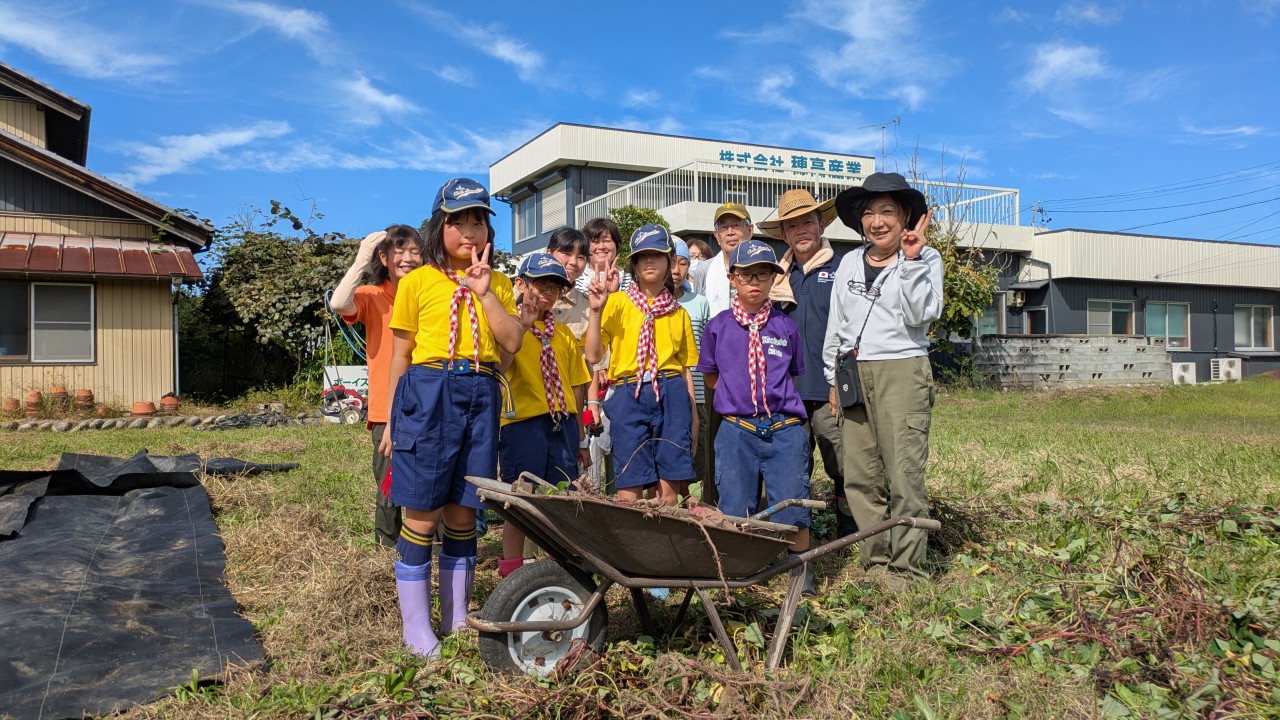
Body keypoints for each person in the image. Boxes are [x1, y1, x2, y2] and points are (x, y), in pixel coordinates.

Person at [381, 177, 526, 657]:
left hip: (481, 391)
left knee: (466, 508)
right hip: (429, 390)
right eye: (457, 220)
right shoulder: (417, 281)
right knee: (423, 509)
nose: (469, 231)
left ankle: (457, 616)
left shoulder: (500, 283)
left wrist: (485, 294)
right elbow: (399, 356)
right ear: (438, 226)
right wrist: (390, 420)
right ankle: (417, 628)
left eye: (478, 220)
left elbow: (512, 343)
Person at [822, 172, 942, 590]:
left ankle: (908, 570)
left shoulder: (927, 259)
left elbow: (919, 316)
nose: (877, 221)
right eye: (869, 213)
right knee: (859, 472)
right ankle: (876, 561)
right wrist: (832, 376)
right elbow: (837, 324)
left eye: (887, 212)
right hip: (854, 371)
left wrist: (910, 261)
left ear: (906, 215)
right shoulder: (850, 262)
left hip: (902, 370)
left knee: (904, 472)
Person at [697, 239, 815, 595]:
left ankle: (799, 576)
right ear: (733, 278)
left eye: (764, 274)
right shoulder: (718, 327)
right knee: (735, 507)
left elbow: (791, 377)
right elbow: (712, 377)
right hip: (737, 431)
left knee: (792, 503)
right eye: (747, 274)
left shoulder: (786, 327)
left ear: (773, 280)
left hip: (783, 429)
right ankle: (738, 577)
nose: (755, 281)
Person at [760, 189, 856, 539]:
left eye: (807, 222)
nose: (801, 230)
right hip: (787, 394)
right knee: (791, 468)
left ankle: (851, 534)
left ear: (821, 224)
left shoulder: (844, 267)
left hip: (831, 387)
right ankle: (795, 540)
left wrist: (842, 382)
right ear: (783, 234)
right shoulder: (776, 277)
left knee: (844, 465)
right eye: (792, 225)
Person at [584, 224, 698, 506]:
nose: (649, 261)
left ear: (670, 261)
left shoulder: (678, 312)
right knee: (629, 481)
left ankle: (663, 546)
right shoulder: (617, 303)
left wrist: (693, 415)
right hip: (628, 391)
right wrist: (596, 312)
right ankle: (633, 546)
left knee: (668, 482)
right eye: (642, 256)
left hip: (671, 392)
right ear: (633, 264)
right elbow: (593, 355)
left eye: (657, 255)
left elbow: (685, 369)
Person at [497, 253, 591, 578]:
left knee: (561, 500)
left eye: (554, 287)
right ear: (521, 284)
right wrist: (522, 325)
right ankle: (511, 575)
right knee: (519, 502)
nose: (547, 294)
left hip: (562, 426)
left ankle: (557, 573)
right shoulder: (510, 327)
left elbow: (576, 388)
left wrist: (580, 438)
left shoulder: (562, 334)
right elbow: (500, 368)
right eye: (540, 285)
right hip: (523, 426)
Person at [329, 224, 424, 548]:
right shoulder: (373, 296)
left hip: (430, 405)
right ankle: (386, 551)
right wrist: (360, 259)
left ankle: (435, 552)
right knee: (389, 486)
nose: (408, 258)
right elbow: (340, 304)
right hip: (387, 410)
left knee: (429, 483)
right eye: (400, 251)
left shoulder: (429, 293)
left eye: (415, 251)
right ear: (383, 257)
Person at [670, 238, 711, 502]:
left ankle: (697, 511)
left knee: (699, 456)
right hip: (667, 393)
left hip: (698, 391)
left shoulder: (700, 302)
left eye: (683, 263)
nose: (676, 269)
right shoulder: (649, 304)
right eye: (672, 261)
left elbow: (707, 351)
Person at [691, 202, 753, 316]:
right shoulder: (704, 270)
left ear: (750, 230)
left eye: (736, 225)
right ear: (716, 235)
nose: (730, 232)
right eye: (724, 227)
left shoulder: (766, 266)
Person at [576, 217, 632, 295]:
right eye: (595, 241)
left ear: (617, 245)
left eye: (606, 241)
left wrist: (613, 292)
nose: (601, 247)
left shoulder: (630, 282)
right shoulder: (574, 280)